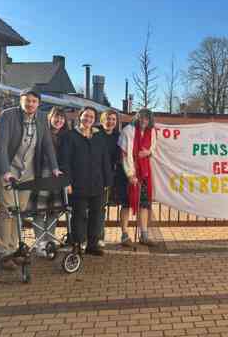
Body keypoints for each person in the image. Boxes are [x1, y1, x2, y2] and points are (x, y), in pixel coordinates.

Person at [0, 88, 61, 269]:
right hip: (9, 171)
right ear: (21, 100)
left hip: (28, 173)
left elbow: (47, 144)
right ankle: (4, 251)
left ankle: (14, 249)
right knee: (7, 211)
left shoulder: (41, 118)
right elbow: (1, 144)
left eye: (34, 101)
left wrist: (54, 168)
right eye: (27, 100)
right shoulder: (8, 115)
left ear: (38, 103)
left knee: (19, 212)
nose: (30, 104)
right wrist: (6, 171)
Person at [59, 106, 111, 256]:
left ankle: (92, 245)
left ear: (94, 120)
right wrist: (67, 182)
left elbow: (105, 159)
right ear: (80, 116)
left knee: (97, 215)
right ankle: (77, 244)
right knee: (79, 215)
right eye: (86, 116)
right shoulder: (70, 136)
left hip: (97, 183)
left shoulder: (99, 136)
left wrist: (107, 181)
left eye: (91, 117)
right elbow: (65, 161)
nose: (88, 119)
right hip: (78, 184)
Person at [33, 107, 68, 257]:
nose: (59, 120)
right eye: (56, 117)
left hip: (57, 178)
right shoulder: (41, 132)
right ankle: (40, 243)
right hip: (41, 175)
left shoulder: (66, 136)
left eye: (62, 118)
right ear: (50, 117)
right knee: (40, 211)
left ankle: (50, 241)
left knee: (54, 210)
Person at [119, 109, 156, 246]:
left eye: (146, 119)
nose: (144, 121)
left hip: (144, 172)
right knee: (126, 204)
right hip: (129, 171)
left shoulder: (151, 131)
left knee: (144, 204)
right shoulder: (128, 130)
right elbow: (123, 154)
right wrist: (130, 174)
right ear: (137, 118)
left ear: (150, 120)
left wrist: (148, 152)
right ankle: (124, 235)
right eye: (141, 118)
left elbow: (153, 147)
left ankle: (144, 235)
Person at [95, 109, 126, 248]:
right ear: (102, 120)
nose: (110, 122)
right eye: (108, 119)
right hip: (93, 174)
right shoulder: (95, 133)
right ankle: (85, 237)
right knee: (90, 208)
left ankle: (99, 237)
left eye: (113, 119)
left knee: (101, 208)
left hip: (108, 176)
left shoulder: (118, 136)